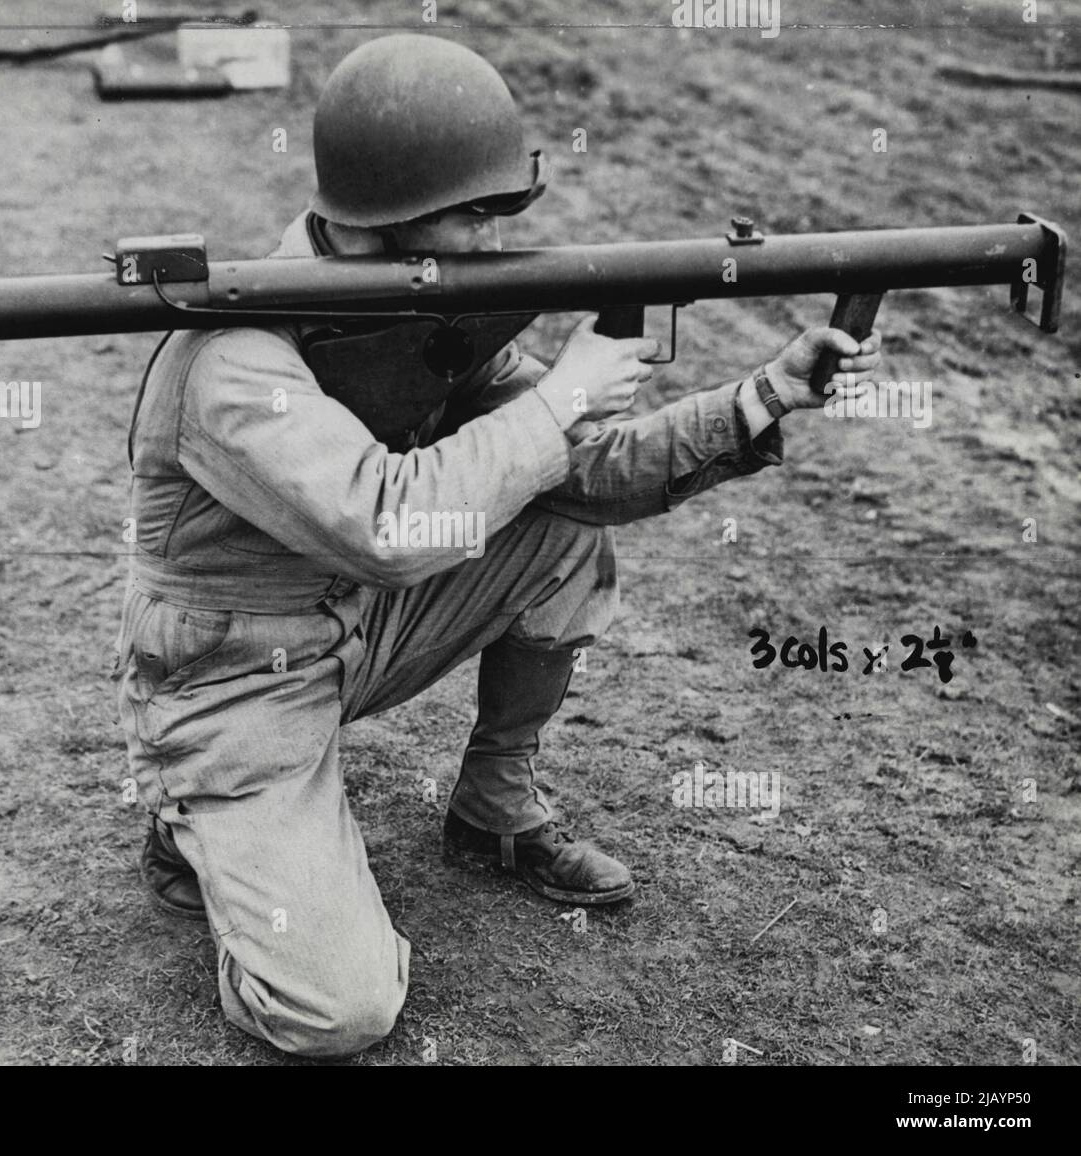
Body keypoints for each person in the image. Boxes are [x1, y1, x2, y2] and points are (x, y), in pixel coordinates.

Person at [113, 33, 883, 1057]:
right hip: (231, 684)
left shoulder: (410, 308)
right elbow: (385, 522)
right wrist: (560, 395)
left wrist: (765, 395)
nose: (496, 237)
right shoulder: (234, 357)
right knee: (340, 1011)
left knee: (556, 528)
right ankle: (201, 830)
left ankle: (492, 805)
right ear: (388, 214)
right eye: (476, 213)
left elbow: (588, 475)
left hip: (356, 631)